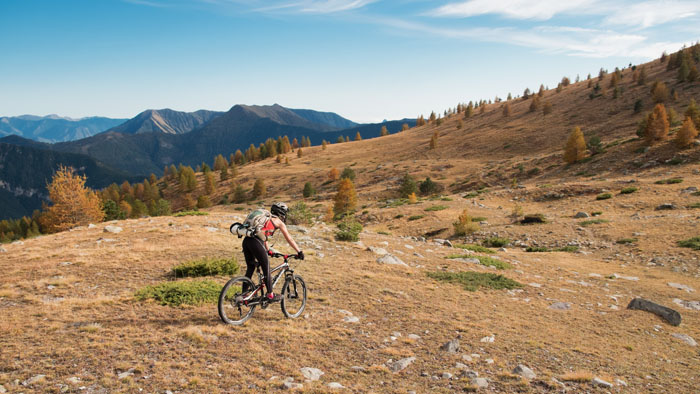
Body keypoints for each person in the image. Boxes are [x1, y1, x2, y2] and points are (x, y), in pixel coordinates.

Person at [242, 202, 304, 302]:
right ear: (282, 214)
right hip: (256, 242)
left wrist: (268, 250)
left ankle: (243, 295)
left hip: (246, 241)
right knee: (266, 267)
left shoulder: (266, 218)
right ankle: (270, 295)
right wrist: (299, 251)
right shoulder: (278, 222)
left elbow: (263, 236)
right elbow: (290, 239)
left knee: (251, 267)